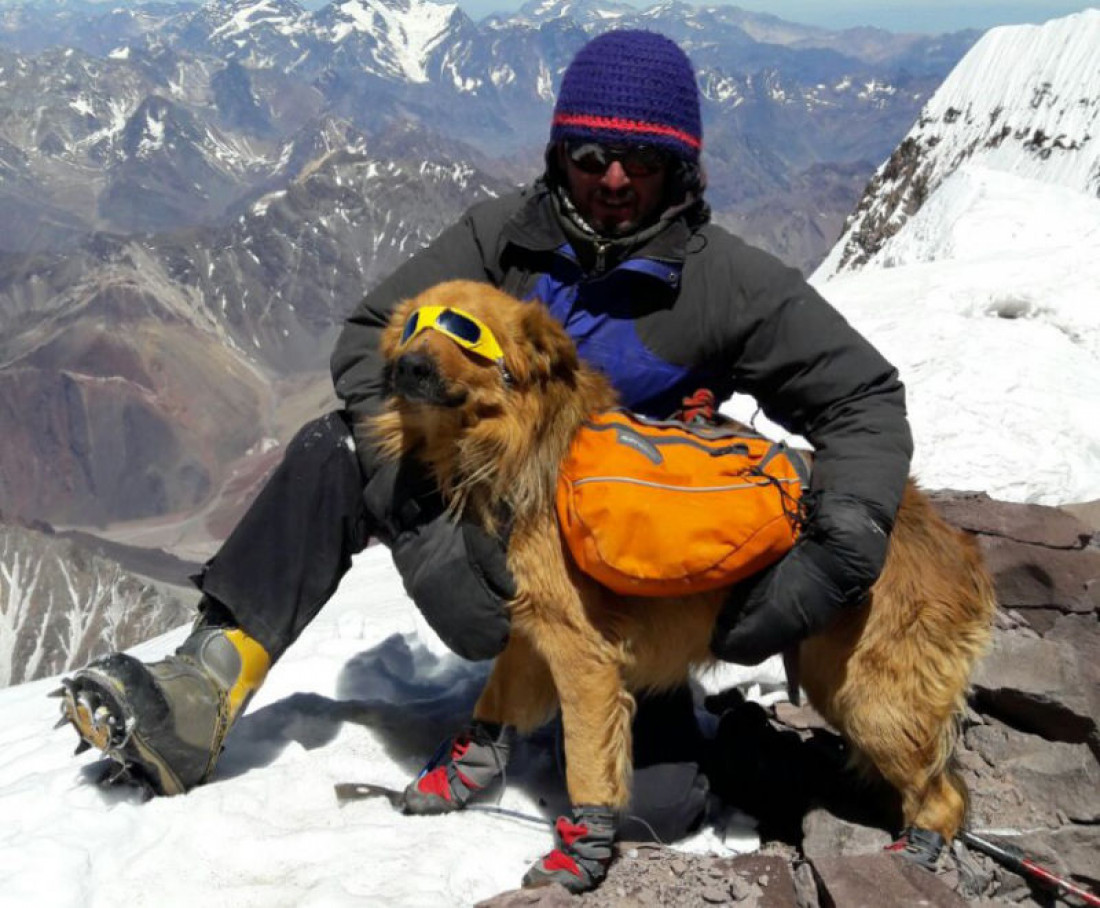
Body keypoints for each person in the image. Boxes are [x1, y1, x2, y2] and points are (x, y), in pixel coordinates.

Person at [59, 29, 912, 889]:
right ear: (559, 155)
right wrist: (422, 509)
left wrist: (851, 535)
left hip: (631, 571)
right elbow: (371, 339)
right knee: (334, 447)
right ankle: (204, 680)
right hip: (481, 517)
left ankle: (573, 716)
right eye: (590, 154)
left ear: (681, 172)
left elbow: (863, 397)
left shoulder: (728, 284)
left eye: (643, 162)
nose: (613, 180)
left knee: (656, 809)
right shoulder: (501, 237)